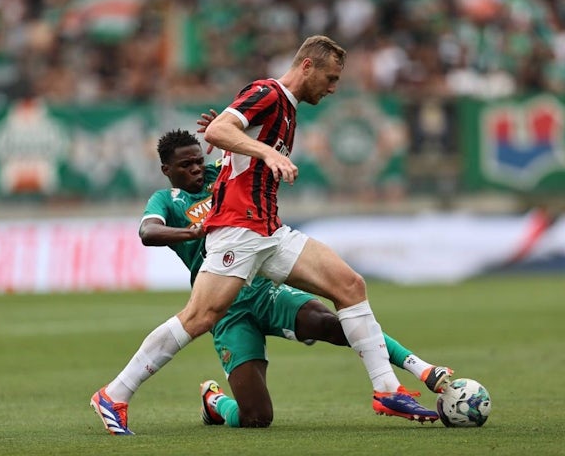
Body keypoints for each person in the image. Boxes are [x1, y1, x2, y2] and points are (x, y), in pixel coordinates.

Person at [90, 35, 438, 436]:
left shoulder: (287, 112)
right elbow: (221, 129)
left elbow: (228, 148)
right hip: (238, 230)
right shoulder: (267, 92)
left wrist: (245, 147)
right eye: (330, 77)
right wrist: (267, 152)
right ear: (307, 66)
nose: (333, 87)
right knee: (201, 316)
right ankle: (114, 393)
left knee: (349, 284)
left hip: (269, 231)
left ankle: (387, 390)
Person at [139, 127, 452, 429]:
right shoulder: (166, 201)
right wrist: (189, 232)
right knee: (256, 417)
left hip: (264, 289)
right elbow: (147, 231)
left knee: (332, 322)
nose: (196, 168)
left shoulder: (220, 176)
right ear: (167, 169)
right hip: (224, 308)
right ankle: (215, 402)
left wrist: (226, 133)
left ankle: (420, 369)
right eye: (185, 165)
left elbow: (252, 154)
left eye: (198, 161)